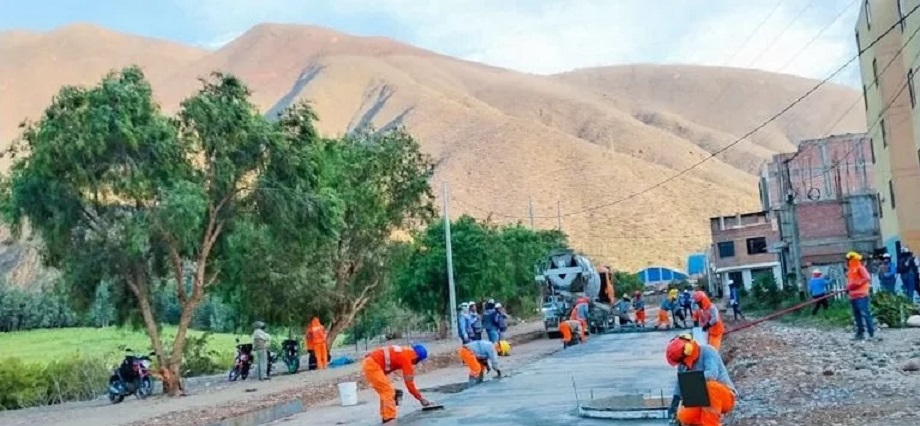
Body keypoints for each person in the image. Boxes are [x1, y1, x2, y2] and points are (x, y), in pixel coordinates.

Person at [665, 333, 737, 426]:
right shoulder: (683, 365)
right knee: (684, 416)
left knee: (710, 386)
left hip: (724, 396)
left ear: (688, 351)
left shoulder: (708, 351)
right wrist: (674, 404)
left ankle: (711, 424)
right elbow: (679, 384)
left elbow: (712, 374)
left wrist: (690, 381)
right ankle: (703, 422)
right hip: (701, 400)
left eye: (682, 362)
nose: (681, 364)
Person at [362, 344, 432, 423]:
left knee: (386, 392)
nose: (417, 363)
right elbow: (410, 385)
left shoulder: (404, 351)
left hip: (371, 362)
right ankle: (390, 419)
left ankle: (385, 417)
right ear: (417, 358)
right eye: (419, 361)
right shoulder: (408, 359)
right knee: (388, 391)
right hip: (373, 365)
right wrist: (421, 399)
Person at [846, 251, 877, 341]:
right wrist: (848, 288)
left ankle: (871, 333)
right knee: (857, 315)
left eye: (849, 259)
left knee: (865, 313)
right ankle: (860, 333)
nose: (847, 261)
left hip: (861, 295)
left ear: (853, 259)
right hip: (853, 296)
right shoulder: (850, 270)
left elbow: (867, 278)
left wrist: (855, 284)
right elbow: (850, 282)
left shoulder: (860, 268)